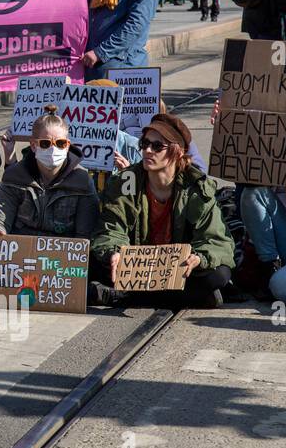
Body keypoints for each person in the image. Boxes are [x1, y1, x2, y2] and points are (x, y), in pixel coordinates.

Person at [89, 113, 234, 308]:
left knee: (219, 274)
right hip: (136, 266)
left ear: (178, 151)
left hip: (177, 269)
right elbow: (111, 227)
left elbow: (216, 239)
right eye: (144, 143)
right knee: (92, 262)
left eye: (157, 146)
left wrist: (199, 258)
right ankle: (186, 298)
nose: (148, 150)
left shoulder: (196, 187)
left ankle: (122, 297)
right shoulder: (126, 181)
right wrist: (114, 252)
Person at [0, 106, 98, 238]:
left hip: (62, 250)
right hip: (22, 247)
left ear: (68, 145)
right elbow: (0, 218)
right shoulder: (14, 176)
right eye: (45, 143)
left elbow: (84, 234)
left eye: (60, 143)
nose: (53, 149)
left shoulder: (82, 181)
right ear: (33, 145)